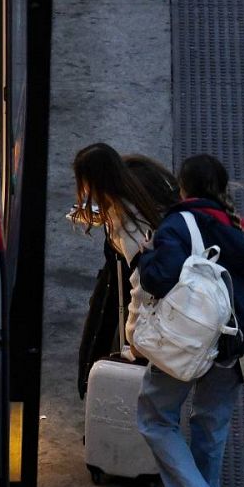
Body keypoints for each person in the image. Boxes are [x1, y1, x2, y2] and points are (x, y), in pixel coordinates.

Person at [132, 153, 244, 487]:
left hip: (188, 342)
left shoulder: (178, 225)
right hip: (236, 348)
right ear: (223, 189)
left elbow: (158, 278)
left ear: (182, 187)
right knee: (210, 425)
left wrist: (146, 254)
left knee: (156, 416)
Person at [71, 145, 178, 393]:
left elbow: (140, 284)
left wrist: (133, 337)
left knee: (102, 348)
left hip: (123, 295)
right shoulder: (139, 172)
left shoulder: (126, 220)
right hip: (138, 280)